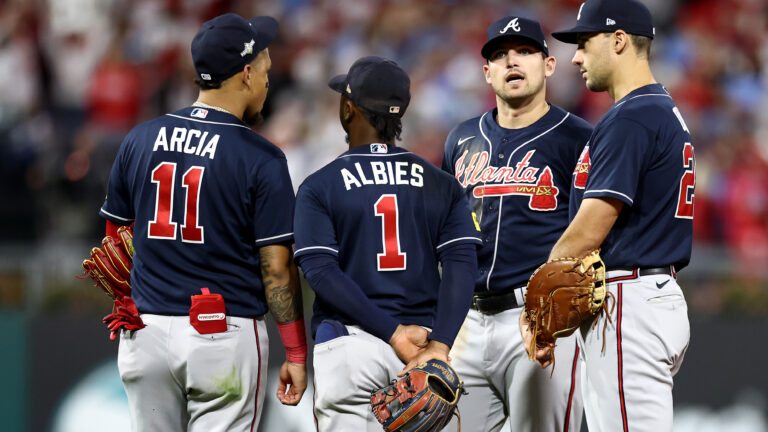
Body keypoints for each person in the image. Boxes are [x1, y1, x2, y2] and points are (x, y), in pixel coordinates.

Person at [97, 13, 308, 431]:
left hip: (146, 335)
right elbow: (277, 269)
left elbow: (114, 243)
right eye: (264, 70)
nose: (268, 79)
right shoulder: (261, 157)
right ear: (246, 74)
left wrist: (132, 301)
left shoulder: (140, 138)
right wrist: (296, 353)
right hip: (221, 338)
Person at [522, 1, 693, 431]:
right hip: (646, 293)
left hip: (628, 303)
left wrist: (534, 312)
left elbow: (589, 229)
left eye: (584, 42)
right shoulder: (657, 109)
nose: (575, 56)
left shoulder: (633, 116)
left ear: (618, 41)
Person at [293, 56, 481, 430]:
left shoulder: (320, 184)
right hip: (422, 353)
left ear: (349, 109)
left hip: (351, 342)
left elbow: (321, 272)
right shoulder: (441, 183)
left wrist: (391, 333)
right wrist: (441, 345)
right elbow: (462, 265)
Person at [441, 16, 593, 432]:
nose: (512, 61)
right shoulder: (461, 138)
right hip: (466, 322)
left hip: (541, 313)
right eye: (500, 55)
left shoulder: (577, 138)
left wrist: (555, 317)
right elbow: (445, 235)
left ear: (548, 65)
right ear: (486, 72)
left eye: (525, 51)